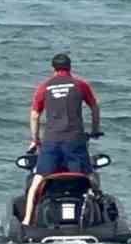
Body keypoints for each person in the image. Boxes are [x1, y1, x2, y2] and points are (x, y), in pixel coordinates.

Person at [22, 52, 101, 226]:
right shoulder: (80, 85)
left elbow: (35, 115)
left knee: (37, 179)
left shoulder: (45, 87)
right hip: (75, 141)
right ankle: (100, 215)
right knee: (89, 178)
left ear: (53, 68)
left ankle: (27, 220)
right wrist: (95, 130)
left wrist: (35, 140)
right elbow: (94, 107)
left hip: (51, 141)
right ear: (70, 67)